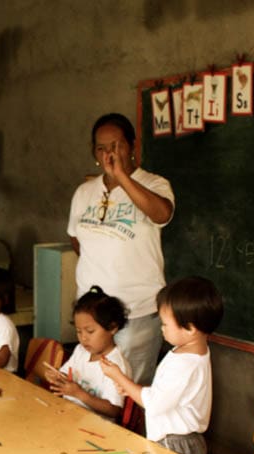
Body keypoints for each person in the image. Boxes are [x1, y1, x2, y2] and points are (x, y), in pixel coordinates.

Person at [68, 112, 174, 386]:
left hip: (136, 311)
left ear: (133, 146)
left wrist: (121, 177)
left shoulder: (154, 184)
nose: (109, 154)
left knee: (128, 391)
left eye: (116, 146)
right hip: (92, 314)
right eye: (101, 148)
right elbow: (77, 241)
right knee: (92, 389)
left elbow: (162, 214)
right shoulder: (84, 192)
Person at [101, 276, 223, 454]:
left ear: (190, 328)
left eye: (165, 324)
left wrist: (119, 377)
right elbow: (167, 395)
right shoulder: (195, 351)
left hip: (174, 445)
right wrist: (131, 390)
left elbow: (154, 403)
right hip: (182, 441)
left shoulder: (183, 363)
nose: (162, 328)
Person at [44, 286, 129, 421]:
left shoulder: (115, 365)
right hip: (68, 414)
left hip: (95, 427)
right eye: (79, 331)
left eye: (90, 331)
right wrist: (56, 376)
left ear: (112, 327)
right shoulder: (80, 351)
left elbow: (113, 410)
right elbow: (66, 375)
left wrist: (79, 394)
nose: (83, 338)